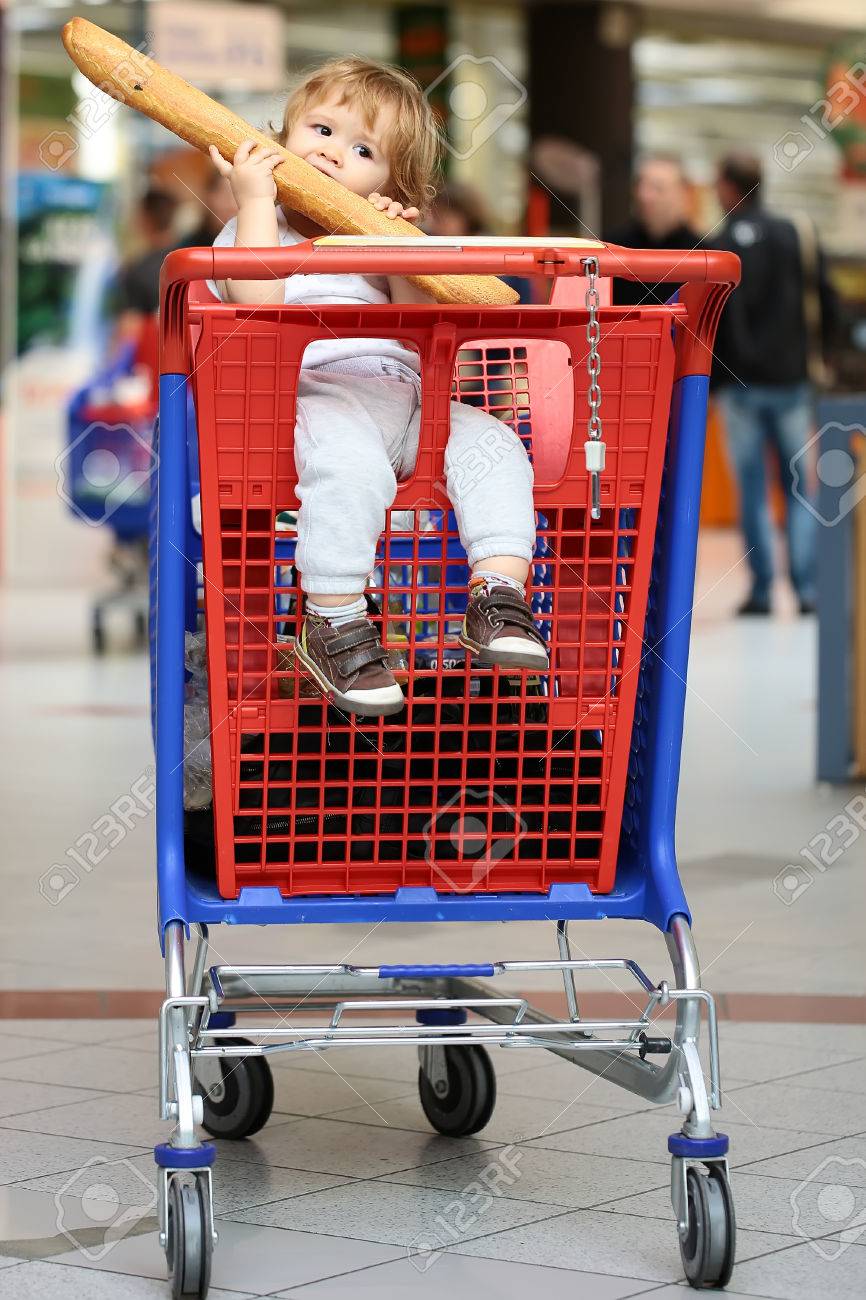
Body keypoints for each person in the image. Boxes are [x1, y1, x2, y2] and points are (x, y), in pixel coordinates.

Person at [207, 57, 548, 716]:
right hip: (317, 395)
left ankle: (497, 597)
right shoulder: (260, 228)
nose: (334, 154)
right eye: (322, 129)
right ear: (283, 134)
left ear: (391, 180)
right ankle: (333, 617)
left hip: (407, 399)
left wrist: (395, 246)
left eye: (363, 150)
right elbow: (254, 297)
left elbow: (420, 323)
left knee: (496, 444)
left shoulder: (382, 234)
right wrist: (254, 200)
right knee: (348, 465)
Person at [712, 153, 837, 616]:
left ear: (727, 188)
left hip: (738, 386)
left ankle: (762, 591)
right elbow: (826, 298)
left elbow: (713, 320)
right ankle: (806, 590)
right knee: (801, 486)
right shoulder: (795, 234)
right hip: (791, 381)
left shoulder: (721, 244)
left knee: (751, 489)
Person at [606, 154, 701, 306]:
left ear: (683, 194)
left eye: (658, 188)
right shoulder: (612, 247)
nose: (645, 196)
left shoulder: (703, 254)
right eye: (642, 186)